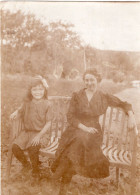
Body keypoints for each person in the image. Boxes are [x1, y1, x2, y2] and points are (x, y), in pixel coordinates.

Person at [50, 68, 136, 195]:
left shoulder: (104, 97)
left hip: (93, 133)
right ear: (84, 81)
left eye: (92, 80)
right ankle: (61, 187)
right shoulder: (77, 95)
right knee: (76, 144)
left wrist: (131, 117)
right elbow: (70, 116)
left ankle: (56, 179)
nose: (89, 83)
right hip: (75, 129)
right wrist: (84, 128)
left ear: (98, 80)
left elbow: (125, 104)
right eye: (86, 80)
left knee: (74, 147)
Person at [10, 76, 51, 179]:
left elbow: (49, 123)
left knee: (33, 148)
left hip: (40, 133)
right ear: (30, 91)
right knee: (15, 147)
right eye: (35, 89)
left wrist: (39, 136)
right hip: (27, 132)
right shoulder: (28, 102)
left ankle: (36, 171)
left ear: (44, 90)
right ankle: (26, 165)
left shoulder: (47, 104)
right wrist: (17, 111)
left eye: (40, 89)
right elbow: (21, 108)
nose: (38, 92)